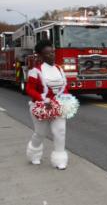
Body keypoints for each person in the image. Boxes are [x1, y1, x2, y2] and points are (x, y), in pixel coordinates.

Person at [26, 40, 69, 170]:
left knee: (60, 131)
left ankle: (59, 159)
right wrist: (42, 99)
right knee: (40, 133)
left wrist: (64, 98)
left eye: (52, 52)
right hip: (41, 107)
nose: (52, 55)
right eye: (48, 53)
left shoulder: (59, 69)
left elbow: (64, 87)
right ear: (41, 56)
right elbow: (30, 89)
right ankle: (34, 153)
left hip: (57, 106)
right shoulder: (35, 71)